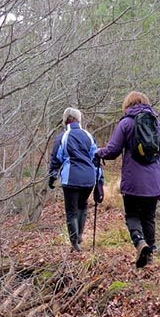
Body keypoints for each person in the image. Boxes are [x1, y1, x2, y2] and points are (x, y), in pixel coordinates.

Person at [96, 91, 160, 268]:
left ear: (127, 106)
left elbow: (113, 151)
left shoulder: (126, 123)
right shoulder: (158, 125)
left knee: (132, 215)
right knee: (149, 217)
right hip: (153, 182)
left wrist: (99, 152)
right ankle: (150, 257)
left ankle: (139, 243)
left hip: (132, 181)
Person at [48, 107, 99, 252]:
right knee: (82, 206)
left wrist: (52, 176)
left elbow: (56, 159)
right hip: (89, 178)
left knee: (71, 210)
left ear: (65, 120)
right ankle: (80, 236)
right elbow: (96, 158)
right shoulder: (89, 136)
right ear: (79, 119)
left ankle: (74, 242)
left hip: (71, 178)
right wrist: (99, 180)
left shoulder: (63, 137)